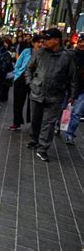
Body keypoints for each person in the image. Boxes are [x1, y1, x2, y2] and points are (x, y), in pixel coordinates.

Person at [25, 28, 77, 162]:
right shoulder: (40, 53)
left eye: (48, 39)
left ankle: (42, 149)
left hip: (55, 96)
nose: (45, 41)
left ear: (57, 40)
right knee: (35, 120)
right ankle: (34, 139)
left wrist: (72, 95)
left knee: (48, 123)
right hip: (37, 92)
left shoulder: (67, 56)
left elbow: (72, 77)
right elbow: (29, 69)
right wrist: (30, 83)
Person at [10, 34, 43, 130]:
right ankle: (17, 122)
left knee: (34, 103)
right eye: (38, 42)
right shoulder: (26, 51)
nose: (40, 44)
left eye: (42, 42)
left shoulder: (44, 54)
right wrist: (16, 75)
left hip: (36, 81)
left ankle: (33, 123)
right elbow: (18, 64)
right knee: (18, 102)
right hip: (21, 78)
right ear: (33, 43)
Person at [65, 33, 84, 145]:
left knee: (77, 113)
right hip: (68, 87)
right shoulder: (71, 54)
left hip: (82, 89)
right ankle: (59, 125)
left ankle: (70, 134)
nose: (82, 44)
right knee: (63, 109)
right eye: (81, 41)